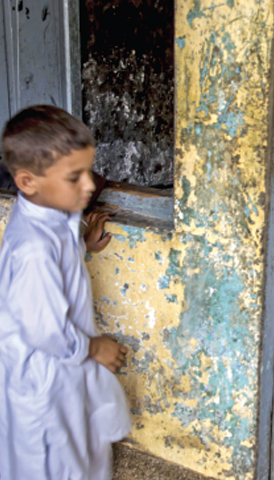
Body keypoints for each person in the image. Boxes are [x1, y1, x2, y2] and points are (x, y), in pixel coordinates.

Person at [0, 105, 131, 480]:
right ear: (27, 182)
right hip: (44, 375)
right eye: (75, 177)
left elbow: (58, 262)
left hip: (59, 370)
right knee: (55, 461)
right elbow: (43, 330)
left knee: (80, 447)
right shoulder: (33, 250)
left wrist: (82, 246)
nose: (90, 185)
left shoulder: (50, 218)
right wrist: (95, 347)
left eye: (88, 171)